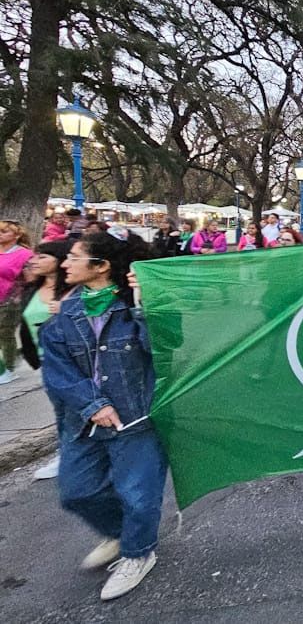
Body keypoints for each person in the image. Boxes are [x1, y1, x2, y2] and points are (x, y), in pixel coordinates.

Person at [39, 228, 167, 600]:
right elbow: (57, 369)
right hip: (83, 422)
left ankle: (138, 553)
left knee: (138, 495)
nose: (65, 263)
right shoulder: (65, 313)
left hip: (135, 419)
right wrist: (93, 405)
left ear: (101, 266)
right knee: (77, 492)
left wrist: (144, 303)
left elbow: (161, 350)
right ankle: (122, 532)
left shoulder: (133, 308)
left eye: (74, 257)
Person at [20, 241, 72, 479]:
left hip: (72, 361)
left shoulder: (73, 290)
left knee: (71, 411)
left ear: (59, 260)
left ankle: (70, 456)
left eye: (43, 257)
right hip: (46, 361)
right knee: (62, 411)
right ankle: (67, 455)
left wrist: (67, 309)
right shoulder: (32, 288)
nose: (35, 261)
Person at [0, 220, 35, 385]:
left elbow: (31, 278)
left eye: (4, 231)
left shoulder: (24, 254)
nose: (0, 234)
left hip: (11, 299)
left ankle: (9, 368)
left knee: (5, 333)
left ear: (17, 235)